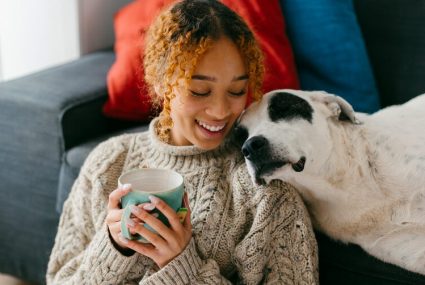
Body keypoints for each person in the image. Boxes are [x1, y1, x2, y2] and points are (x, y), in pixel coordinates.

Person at [46, 0, 318, 284]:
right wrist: (112, 247)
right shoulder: (107, 163)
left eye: (237, 90)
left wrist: (182, 268)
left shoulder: (266, 192)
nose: (221, 111)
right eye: (200, 91)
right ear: (162, 83)